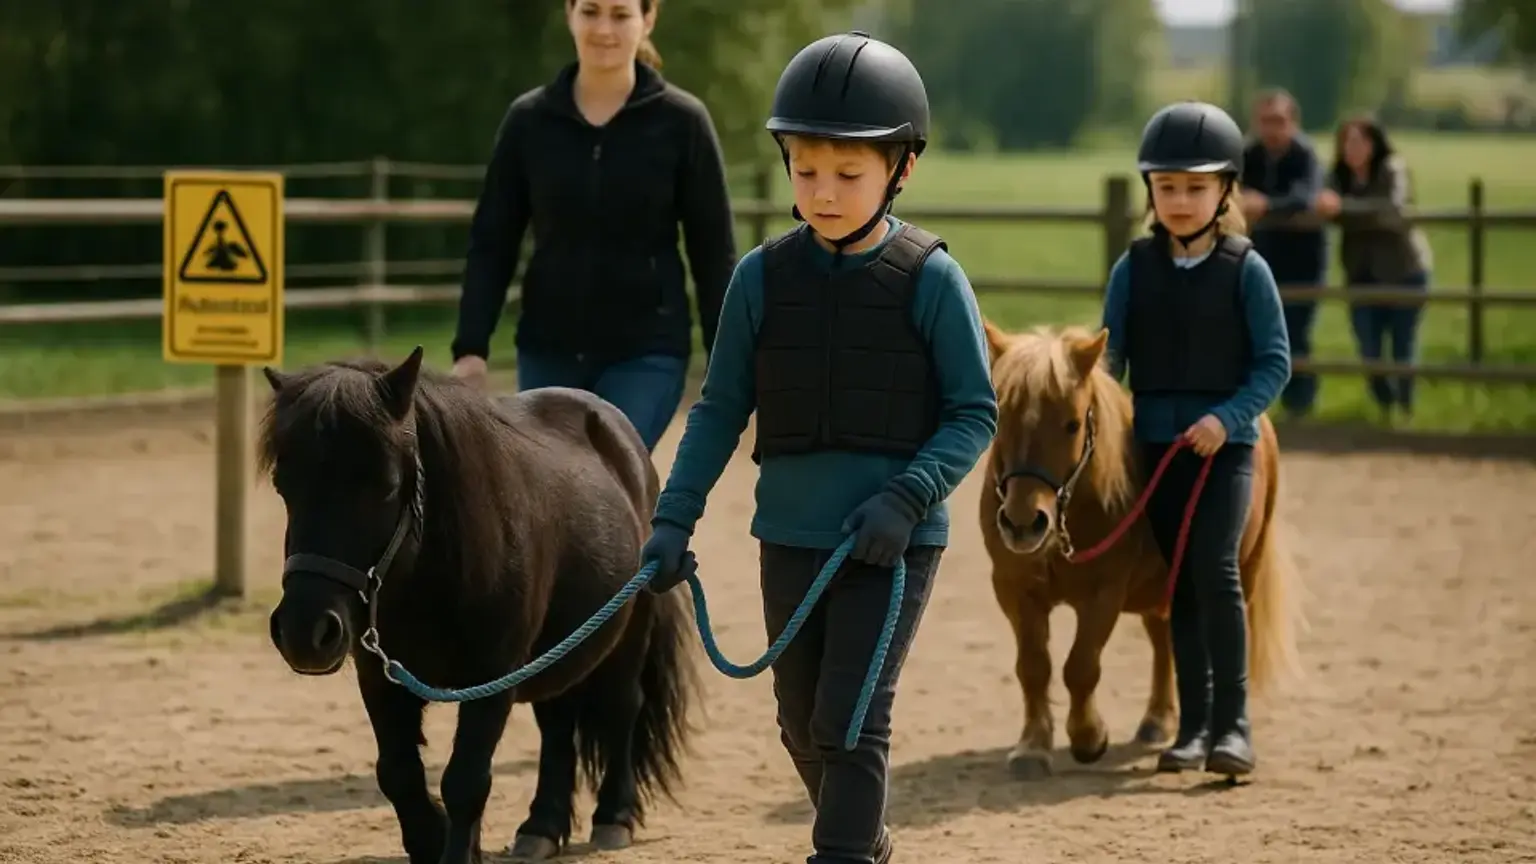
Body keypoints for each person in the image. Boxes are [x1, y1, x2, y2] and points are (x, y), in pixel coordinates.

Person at [636, 31, 997, 864]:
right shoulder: (759, 280)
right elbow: (719, 410)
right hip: (789, 536)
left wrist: (908, 499)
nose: (823, 193)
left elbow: (975, 410)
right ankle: (864, 838)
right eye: (805, 172)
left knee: (851, 718)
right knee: (801, 721)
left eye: (847, 174)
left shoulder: (932, 278)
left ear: (900, 169)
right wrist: (671, 521)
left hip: (890, 543)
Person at [449, 0, 736, 451]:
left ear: (648, 19)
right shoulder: (528, 122)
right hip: (548, 349)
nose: (604, 28)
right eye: (591, 11)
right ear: (569, 14)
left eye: (620, 14)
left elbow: (713, 252)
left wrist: (729, 366)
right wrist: (470, 348)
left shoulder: (683, 123)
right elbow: (492, 242)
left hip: (647, 353)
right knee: (552, 499)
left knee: (608, 475)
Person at [1101, 101, 1292, 777]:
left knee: (1213, 567)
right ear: (1151, 192)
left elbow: (1274, 363)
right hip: (1153, 447)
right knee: (1177, 583)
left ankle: (1233, 726)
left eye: (1195, 187)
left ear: (1225, 192)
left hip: (1225, 448)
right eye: (1167, 187)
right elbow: (1109, 360)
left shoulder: (1247, 270)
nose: (1180, 200)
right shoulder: (1133, 269)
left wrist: (1228, 419)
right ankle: (1191, 727)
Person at [1315, 115, 1433, 422]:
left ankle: (1406, 411)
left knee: (1403, 347)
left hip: (1405, 271)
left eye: (1358, 141)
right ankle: (1385, 406)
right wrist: (1333, 207)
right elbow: (1325, 206)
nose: (1351, 149)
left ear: (1374, 143)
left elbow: (1391, 210)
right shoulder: (1338, 176)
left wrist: (1344, 208)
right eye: (1346, 142)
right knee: (1369, 349)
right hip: (1361, 274)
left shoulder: (1392, 168)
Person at [1239, 89, 1326, 419]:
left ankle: (1299, 407)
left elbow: (1305, 194)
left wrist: (1265, 204)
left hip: (1303, 260)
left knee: (1296, 333)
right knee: (1255, 331)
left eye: (1278, 121)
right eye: (1265, 121)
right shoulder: (1250, 154)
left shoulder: (1305, 154)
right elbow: (1232, 189)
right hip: (1261, 257)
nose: (1272, 129)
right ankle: (1258, 406)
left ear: (1293, 123)